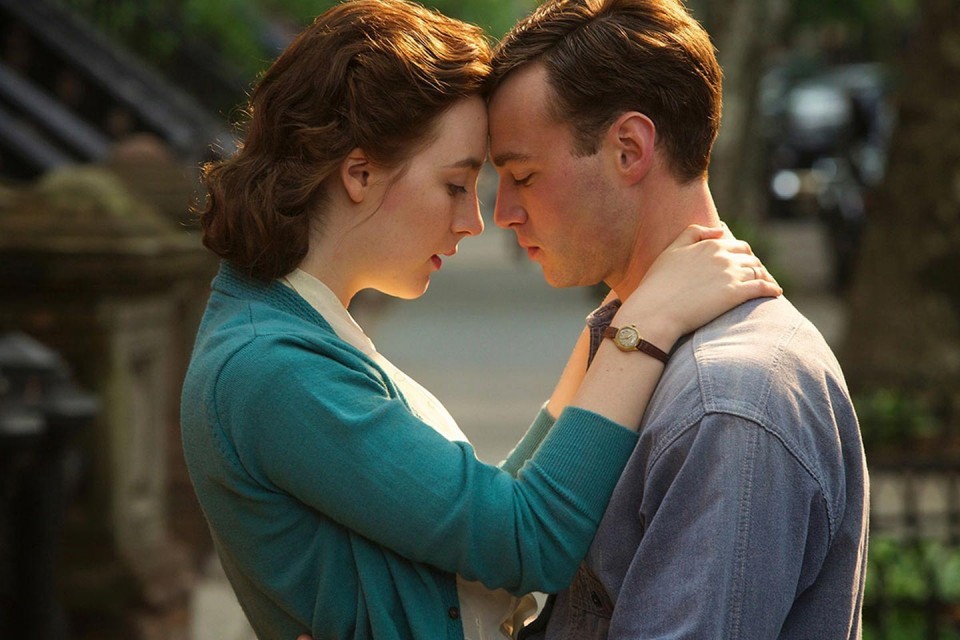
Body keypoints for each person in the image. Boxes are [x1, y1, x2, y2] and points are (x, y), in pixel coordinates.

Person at [181, 0, 781, 638]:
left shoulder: (290, 331)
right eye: (454, 185)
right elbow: (526, 539)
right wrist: (644, 326)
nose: (475, 221)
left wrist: (612, 325)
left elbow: (486, 515)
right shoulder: (273, 369)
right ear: (359, 172)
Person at [475, 0, 867, 638]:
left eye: (523, 175)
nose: (504, 213)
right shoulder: (640, 343)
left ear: (629, 149)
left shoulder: (728, 400)